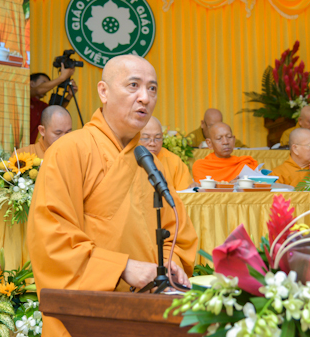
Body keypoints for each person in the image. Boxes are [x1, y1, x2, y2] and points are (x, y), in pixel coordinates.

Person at [27, 55, 197, 337]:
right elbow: (51, 237)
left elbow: (176, 231)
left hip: (146, 309)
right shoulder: (69, 150)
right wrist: (121, 268)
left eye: (152, 88)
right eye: (133, 85)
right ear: (103, 91)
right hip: (90, 313)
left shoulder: (149, 162)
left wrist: (169, 263)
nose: (145, 97)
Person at [0, 106, 73, 276]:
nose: (64, 138)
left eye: (69, 132)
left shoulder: (75, 156)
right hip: (30, 233)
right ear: (42, 130)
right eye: (58, 133)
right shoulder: (23, 157)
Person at [139, 116, 194, 191]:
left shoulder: (174, 161)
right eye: (146, 138)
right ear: (136, 137)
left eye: (157, 138)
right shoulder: (128, 159)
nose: (152, 143)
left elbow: (185, 193)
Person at [192, 122, 258, 183]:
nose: (226, 142)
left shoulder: (244, 164)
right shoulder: (201, 166)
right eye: (219, 138)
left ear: (234, 140)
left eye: (229, 137)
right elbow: (202, 190)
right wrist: (229, 186)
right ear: (209, 143)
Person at [30, 67, 78, 143]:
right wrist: (62, 78)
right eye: (44, 83)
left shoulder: (41, 105)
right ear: (31, 83)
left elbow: (55, 113)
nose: (48, 87)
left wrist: (70, 95)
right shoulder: (23, 95)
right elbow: (37, 90)